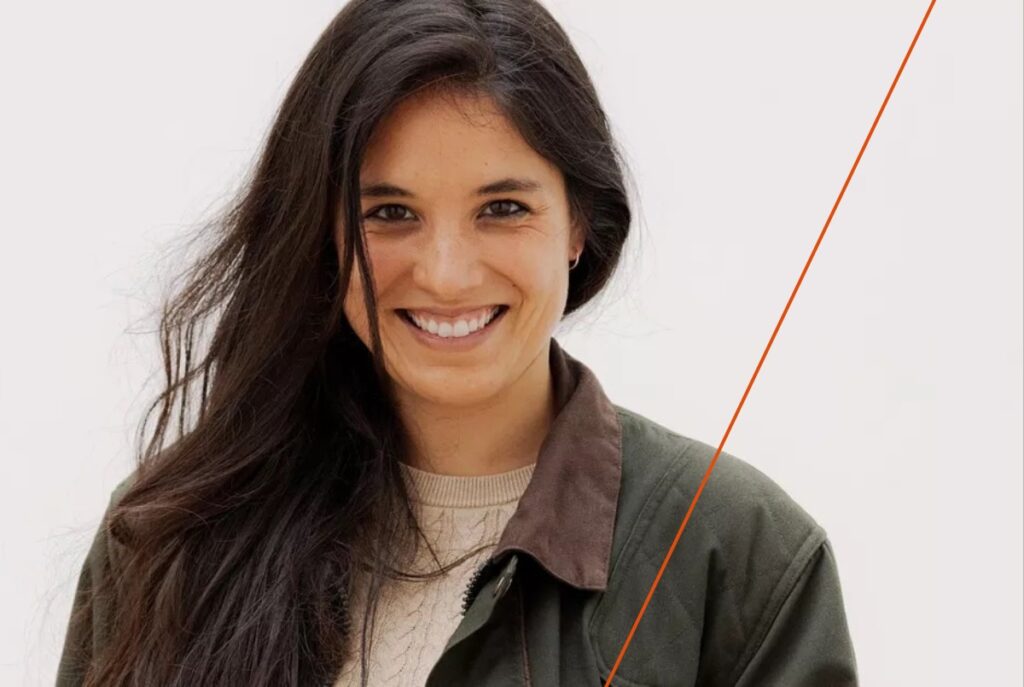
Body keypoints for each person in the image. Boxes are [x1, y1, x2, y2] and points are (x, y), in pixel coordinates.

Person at [56, 0, 859, 685]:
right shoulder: (165, 540)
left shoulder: (741, 556)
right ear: (322, 233)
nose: (445, 274)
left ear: (578, 223)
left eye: (502, 209)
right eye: (390, 213)